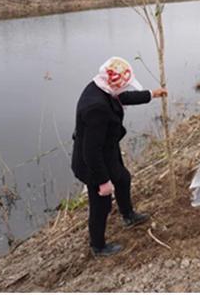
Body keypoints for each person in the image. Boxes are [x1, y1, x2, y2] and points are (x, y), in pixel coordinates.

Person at [71, 56, 167, 257]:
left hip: (107, 150)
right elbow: (91, 151)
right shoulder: (95, 107)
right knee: (101, 204)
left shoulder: (103, 86)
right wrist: (103, 181)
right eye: (124, 86)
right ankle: (98, 246)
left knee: (123, 179)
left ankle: (128, 216)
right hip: (92, 163)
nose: (124, 90)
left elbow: (122, 98)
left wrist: (151, 94)